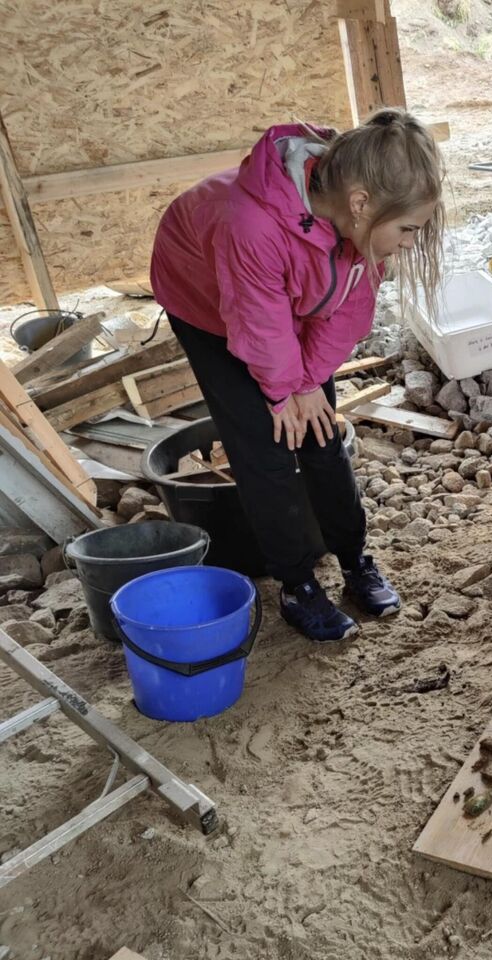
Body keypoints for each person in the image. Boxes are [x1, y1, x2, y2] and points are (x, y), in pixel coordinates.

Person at [150, 109, 446, 642]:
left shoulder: (364, 222)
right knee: (265, 446)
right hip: (208, 301)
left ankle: (354, 558)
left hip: (283, 293)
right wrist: (284, 391)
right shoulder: (251, 223)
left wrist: (308, 383)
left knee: (321, 432)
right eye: (407, 229)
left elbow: (349, 312)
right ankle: (296, 585)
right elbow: (257, 322)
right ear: (361, 203)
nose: (408, 242)